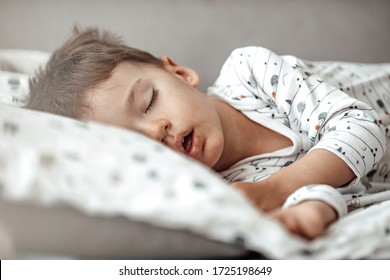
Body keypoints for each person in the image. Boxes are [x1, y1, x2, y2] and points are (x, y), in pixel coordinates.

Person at [26, 26, 390, 239]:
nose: (156, 132)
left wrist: (271, 192)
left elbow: (361, 129)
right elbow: (333, 188)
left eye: (150, 101)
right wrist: (307, 208)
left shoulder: (252, 73)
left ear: (180, 74)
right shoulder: (226, 186)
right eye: (133, 143)